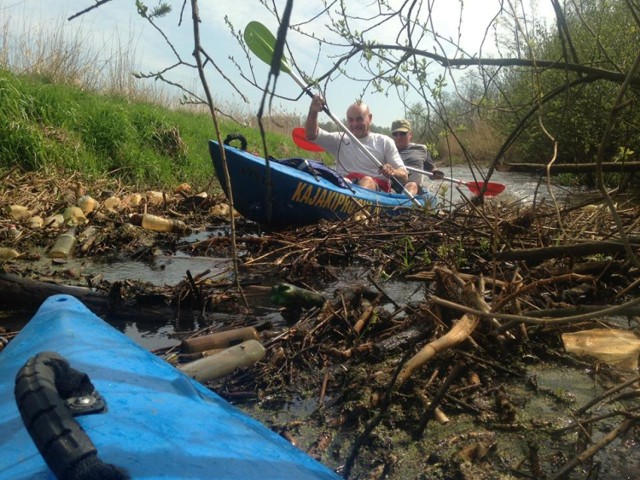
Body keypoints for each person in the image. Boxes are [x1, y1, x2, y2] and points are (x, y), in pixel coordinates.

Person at [305, 95, 409, 193]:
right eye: (350, 120)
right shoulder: (339, 139)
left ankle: (357, 210)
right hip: (345, 185)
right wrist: (313, 111)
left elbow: (404, 176)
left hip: (374, 189)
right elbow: (311, 134)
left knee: (366, 180)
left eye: (359, 119)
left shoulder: (384, 141)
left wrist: (393, 171)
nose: (355, 124)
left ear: (370, 118)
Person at [390, 119, 435, 194]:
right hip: (392, 187)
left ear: (410, 134)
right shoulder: (387, 150)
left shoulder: (421, 149)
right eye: (395, 134)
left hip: (414, 188)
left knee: (411, 185)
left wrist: (436, 173)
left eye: (402, 133)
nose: (398, 137)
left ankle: (403, 204)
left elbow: (432, 171)